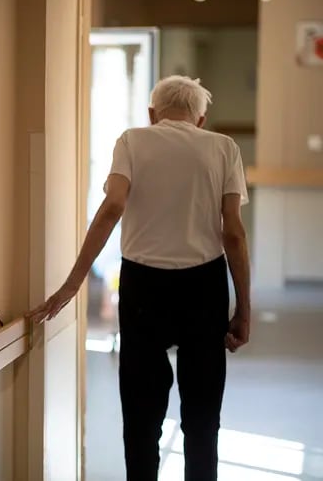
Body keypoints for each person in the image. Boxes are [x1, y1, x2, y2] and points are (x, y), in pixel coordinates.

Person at [27, 76, 251, 481]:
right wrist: (244, 309)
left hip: (144, 286)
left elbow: (113, 206)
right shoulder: (224, 148)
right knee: (202, 417)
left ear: (153, 114)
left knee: (141, 417)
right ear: (201, 119)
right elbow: (233, 232)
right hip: (205, 287)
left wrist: (71, 285)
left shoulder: (131, 141)